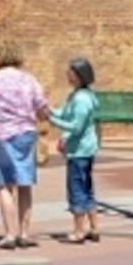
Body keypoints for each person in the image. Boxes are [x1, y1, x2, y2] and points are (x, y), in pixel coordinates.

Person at [0, 41, 52, 247]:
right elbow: (41, 106)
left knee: (4, 184)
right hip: (25, 132)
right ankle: (24, 233)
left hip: (1, 134)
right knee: (25, 183)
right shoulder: (28, 79)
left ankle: (9, 234)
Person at [51, 56, 102, 244]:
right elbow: (64, 113)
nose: (68, 74)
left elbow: (75, 126)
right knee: (87, 187)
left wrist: (51, 121)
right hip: (80, 149)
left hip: (80, 151)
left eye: (71, 72)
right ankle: (95, 227)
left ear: (80, 75)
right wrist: (48, 111)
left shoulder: (82, 100)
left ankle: (79, 230)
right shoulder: (76, 95)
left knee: (76, 189)